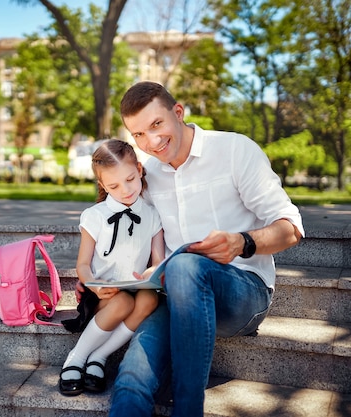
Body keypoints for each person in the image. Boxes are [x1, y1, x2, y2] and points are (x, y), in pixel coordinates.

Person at [102, 81, 306, 416]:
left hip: (244, 293)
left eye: (157, 125)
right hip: (173, 295)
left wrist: (243, 242)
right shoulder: (148, 173)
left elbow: (291, 228)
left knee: (185, 266)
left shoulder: (235, 150)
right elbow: (132, 233)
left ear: (178, 112)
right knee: (131, 380)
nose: (151, 142)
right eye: (138, 134)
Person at [59, 139, 165, 396]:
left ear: (139, 169)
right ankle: (76, 357)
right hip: (101, 296)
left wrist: (154, 272)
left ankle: (100, 356)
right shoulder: (94, 216)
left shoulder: (152, 215)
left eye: (130, 179)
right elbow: (83, 265)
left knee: (149, 299)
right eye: (114, 186)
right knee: (122, 303)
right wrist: (93, 285)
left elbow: (159, 259)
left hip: (135, 288)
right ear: (103, 185)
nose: (126, 190)